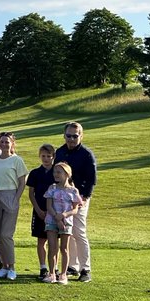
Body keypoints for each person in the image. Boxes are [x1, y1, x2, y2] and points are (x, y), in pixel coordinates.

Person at [55, 121, 96, 282]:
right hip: (63, 198)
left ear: (81, 136)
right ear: (64, 136)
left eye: (75, 136)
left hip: (80, 198)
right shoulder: (60, 152)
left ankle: (85, 269)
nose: (71, 139)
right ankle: (72, 266)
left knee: (79, 232)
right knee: (68, 232)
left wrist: (84, 198)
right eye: (68, 136)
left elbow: (91, 179)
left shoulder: (86, 154)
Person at [0, 132, 28, 280]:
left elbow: (22, 182)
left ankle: (12, 267)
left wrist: (16, 198)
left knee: (6, 234)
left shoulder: (17, 160)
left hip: (11, 196)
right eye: (2, 142)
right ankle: (4, 266)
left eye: (7, 142)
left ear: (12, 143)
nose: (4, 144)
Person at [44, 162, 82, 285]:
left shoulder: (73, 191)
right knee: (52, 247)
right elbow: (49, 206)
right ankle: (51, 274)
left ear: (67, 174)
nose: (56, 175)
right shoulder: (52, 188)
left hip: (66, 222)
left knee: (64, 248)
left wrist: (64, 216)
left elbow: (75, 209)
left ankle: (63, 274)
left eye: (59, 172)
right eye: (55, 172)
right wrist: (57, 218)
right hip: (52, 220)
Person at [27, 143, 57, 280]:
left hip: (55, 212)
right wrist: (38, 210)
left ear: (53, 157)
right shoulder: (35, 173)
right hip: (39, 211)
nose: (46, 159)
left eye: (49, 156)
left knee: (54, 241)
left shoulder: (57, 173)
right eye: (43, 156)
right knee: (41, 240)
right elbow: (31, 194)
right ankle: (43, 267)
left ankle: (54, 267)